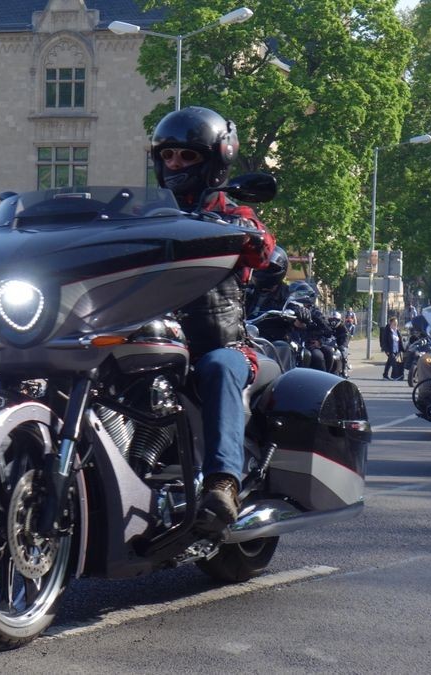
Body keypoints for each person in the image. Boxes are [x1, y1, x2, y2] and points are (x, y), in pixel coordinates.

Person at [149, 106, 275, 530]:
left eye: (187, 157)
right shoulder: (146, 217)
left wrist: (251, 239)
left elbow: (264, 247)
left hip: (221, 344)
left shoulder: (233, 214)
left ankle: (223, 482)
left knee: (219, 366)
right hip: (153, 340)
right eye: (168, 156)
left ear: (215, 161)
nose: (175, 165)